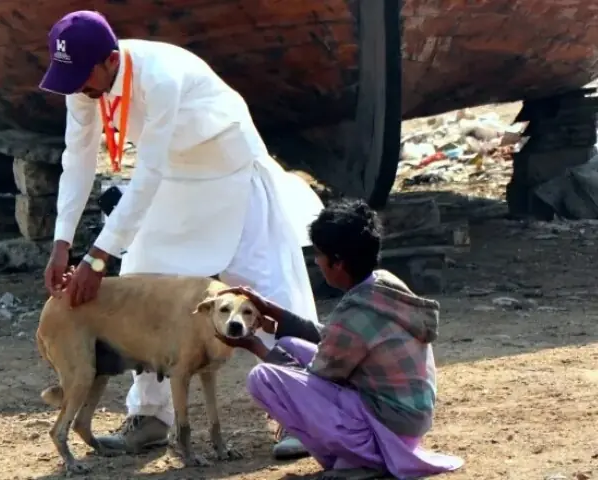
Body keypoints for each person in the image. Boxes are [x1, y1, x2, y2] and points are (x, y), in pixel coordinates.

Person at [38, 10, 324, 459]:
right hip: (175, 181)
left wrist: (97, 257)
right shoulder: (84, 84)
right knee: (141, 289)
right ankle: (150, 415)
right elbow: (77, 160)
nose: (77, 89)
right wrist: (62, 244)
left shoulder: (160, 76)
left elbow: (146, 172)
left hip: (230, 174)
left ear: (111, 60)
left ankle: (303, 415)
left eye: (82, 78)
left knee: (269, 292)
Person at [216, 199, 464, 478]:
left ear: (338, 262)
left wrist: (254, 345)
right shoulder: (383, 283)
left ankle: (365, 458)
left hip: (388, 428)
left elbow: (319, 375)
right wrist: (276, 313)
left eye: (319, 255)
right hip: (407, 418)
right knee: (288, 344)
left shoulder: (354, 312)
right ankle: (364, 453)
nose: (317, 262)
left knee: (263, 378)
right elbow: (337, 339)